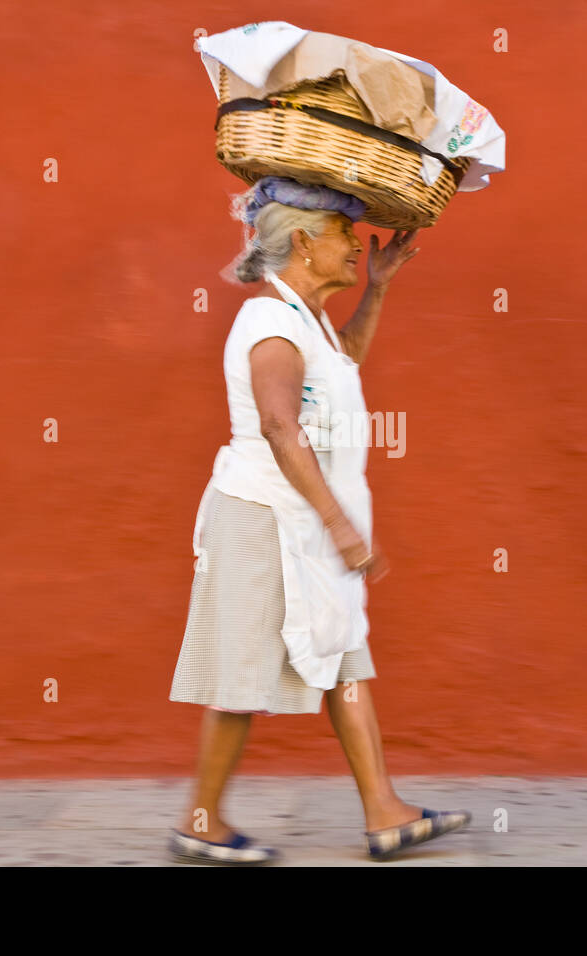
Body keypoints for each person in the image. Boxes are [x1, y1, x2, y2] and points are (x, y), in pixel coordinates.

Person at [167, 176, 470, 864]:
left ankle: (384, 811)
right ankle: (201, 821)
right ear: (303, 243)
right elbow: (280, 425)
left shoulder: (307, 320)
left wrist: (382, 286)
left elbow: (343, 362)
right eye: (343, 234)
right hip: (262, 517)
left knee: (342, 656)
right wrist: (338, 524)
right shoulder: (268, 324)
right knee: (243, 679)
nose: (356, 245)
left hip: (303, 519)